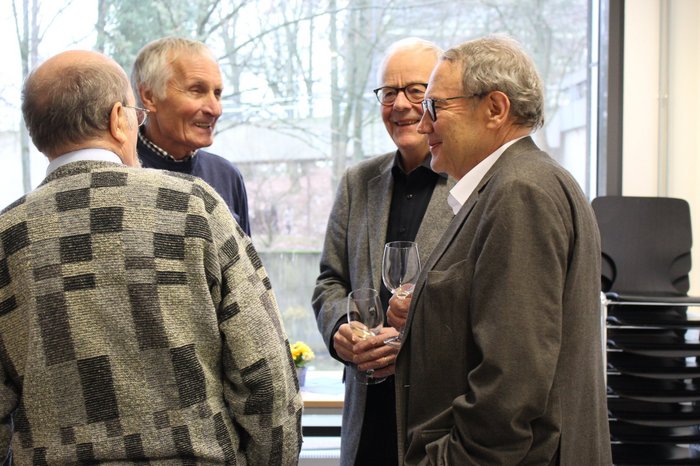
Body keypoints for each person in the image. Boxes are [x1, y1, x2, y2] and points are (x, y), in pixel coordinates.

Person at [0, 49, 302, 465]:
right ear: (117, 119)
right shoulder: (194, 208)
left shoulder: (7, 236)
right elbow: (266, 376)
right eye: (135, 114)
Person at [388, 35, 612, 465]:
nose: (423, 125)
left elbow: (512, 382)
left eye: (435, 107)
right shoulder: (518, 183)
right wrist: (426, 309)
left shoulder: (520, 191)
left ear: (494, 108)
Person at [312, 38, 455, 466]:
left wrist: (414, 340)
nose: (400, 105)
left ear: (438, 99)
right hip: (366, 417)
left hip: (439, 423)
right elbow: (330, 280)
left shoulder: (471, 186)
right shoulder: (358, 182)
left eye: (415, 91)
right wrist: (340, 329)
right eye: (389, 92)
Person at [131, 37, 251, 235]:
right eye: (197, 91)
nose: (215, 109)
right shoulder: (119, 171)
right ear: (149, 96)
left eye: (217, 93)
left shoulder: (226, 175)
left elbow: (246, 256)